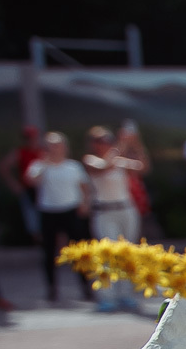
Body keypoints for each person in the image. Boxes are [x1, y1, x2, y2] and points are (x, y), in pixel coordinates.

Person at [24, 132, 93, 302]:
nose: (54, 148)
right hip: (48, 211)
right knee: (48, 251)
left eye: (57, 145)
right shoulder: (39, 166)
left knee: (78, 250)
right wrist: (44, 164)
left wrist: (85, 204)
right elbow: (30, 181)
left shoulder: (73, 167)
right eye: (50, 145)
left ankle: (85, 286)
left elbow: (84, 187)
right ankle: (51, 288)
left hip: (70, 210)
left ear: (64, 147)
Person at [85, 126, 146, 312]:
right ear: (94, 143)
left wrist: (136, 144)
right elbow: (103, 167)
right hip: (104, 212)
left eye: (108, 140)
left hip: (126, 209)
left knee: (127, 253)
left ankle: (126, 295)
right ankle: (107, 296)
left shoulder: (119, 160)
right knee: (107, 254)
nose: (105, 144)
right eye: (101, 140)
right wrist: (121, 145)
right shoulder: (90, 160)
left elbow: (142, 166)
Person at [0, 125, 45, 240]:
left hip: (44, 190)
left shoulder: (44, 152)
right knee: (33, 220)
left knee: (48, 219)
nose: (31, 140)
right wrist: (14, 185)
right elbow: (3, 167)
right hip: (28, 190)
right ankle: (39, 246)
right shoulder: (20, 152)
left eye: (33, 137)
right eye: (28, 137)